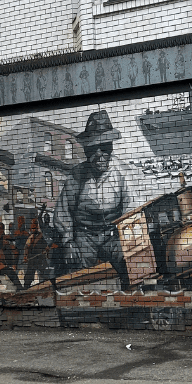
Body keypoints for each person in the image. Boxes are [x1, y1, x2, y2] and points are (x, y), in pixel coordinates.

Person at [53, 110, 132, 289]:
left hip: (113, 235)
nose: (99, 155)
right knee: (78, 272)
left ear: (111, 148)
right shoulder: (76, 176)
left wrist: (126, 239)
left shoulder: (123, 173)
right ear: (86, 151)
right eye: (92, 149)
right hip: (84, 235)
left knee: (130, 263)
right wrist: (68, 242)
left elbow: (131, 209)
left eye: (104, 148)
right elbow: (63, 212)